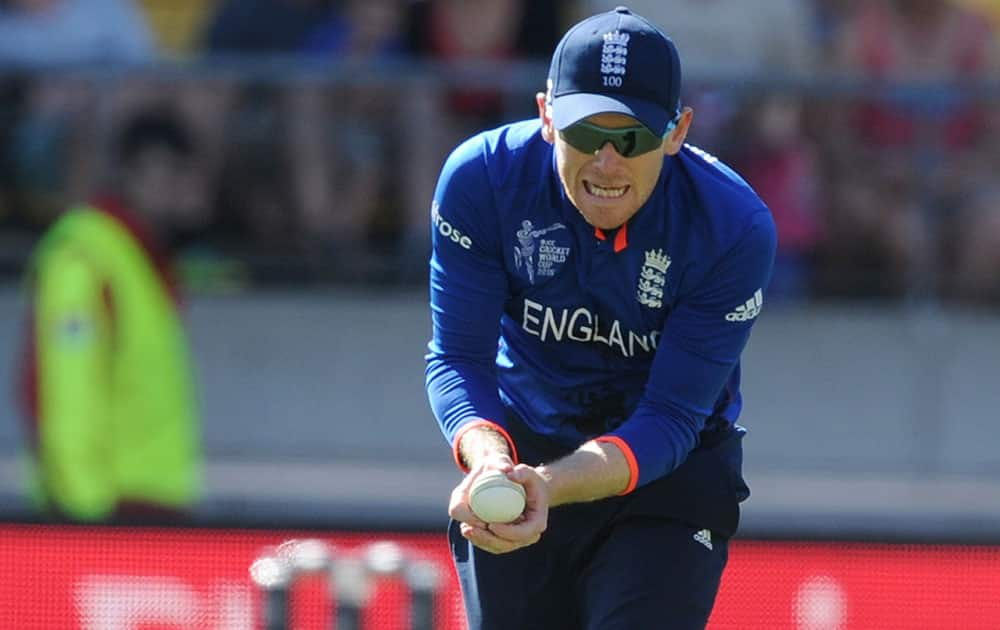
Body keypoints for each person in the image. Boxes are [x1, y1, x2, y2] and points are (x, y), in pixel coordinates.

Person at [424, 7, 777, 629]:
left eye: (633, 139)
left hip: (669, 478)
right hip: (522, 447)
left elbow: (670, 418)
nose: (608, 163)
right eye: (586, 133)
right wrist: (488, 459)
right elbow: (458, 358)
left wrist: (549, 486)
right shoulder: (480, 180)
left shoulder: (732, 227)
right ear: (545, 116)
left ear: (677, 131)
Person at [16, 107, 202, 523]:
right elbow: (68, 393)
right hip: (108, 516)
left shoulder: (145, 263)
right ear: (127, 175)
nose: (176, 190)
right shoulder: (86, 258)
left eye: (183, 176)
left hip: (153, 507)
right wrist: (85, 521)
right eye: (163, 174)